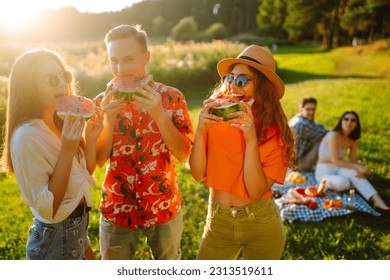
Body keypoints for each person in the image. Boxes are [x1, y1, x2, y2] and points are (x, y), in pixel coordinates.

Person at [95, 24, 194, 260]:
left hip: (163, 203)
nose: (120, 69)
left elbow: (184, 154)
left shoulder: (172, 98)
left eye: (128, 59)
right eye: (114, 60)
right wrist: (108, 119)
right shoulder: (102, 102)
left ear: (146, 57)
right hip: (118, 204)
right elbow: (99, 160)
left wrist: (159, 114)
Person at [189, 45, 295, 260]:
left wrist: (250, 139)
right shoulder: (216, 119)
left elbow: (255, 191)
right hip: (218, 220)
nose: (233, 87)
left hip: (260, 222)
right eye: (230, 78)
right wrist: (201, 131)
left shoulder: (275, 135)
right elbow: (197, 173)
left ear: (262, 87)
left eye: (242, 80)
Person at [0, 49, 103, 259]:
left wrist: (90, 140)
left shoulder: (61, 123)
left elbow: (83, 173)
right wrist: (67, 149)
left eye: (64, 76)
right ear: (29, 87)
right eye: (50, 79)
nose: (61, 84)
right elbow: (49, 210)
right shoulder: (27, 136)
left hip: (78, 231)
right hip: (55, 241)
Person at [315, 111, 389, 211]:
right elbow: (336, 161)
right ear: (341, 121)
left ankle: (377, 200)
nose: (349, 122)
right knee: (344, 182)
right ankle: (354, 183)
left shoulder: (352, 140)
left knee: (354, 173)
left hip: (339, 168)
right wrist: (358, 167)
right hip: (324, 171)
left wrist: (361, 169)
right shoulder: (333, 135)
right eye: (346, 119)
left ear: (356, 124)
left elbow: (353, 160)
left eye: (353, 120)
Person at [289, 96, 328, 171]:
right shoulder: (302, 124)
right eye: (308, 109)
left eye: (313, 109)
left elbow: (317, 127)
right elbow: (328, 134)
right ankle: (334, 163)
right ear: (301, 108)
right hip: (297, 165)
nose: (311, 112)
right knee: (325, 140)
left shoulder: (298, 118)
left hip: (292, 162)